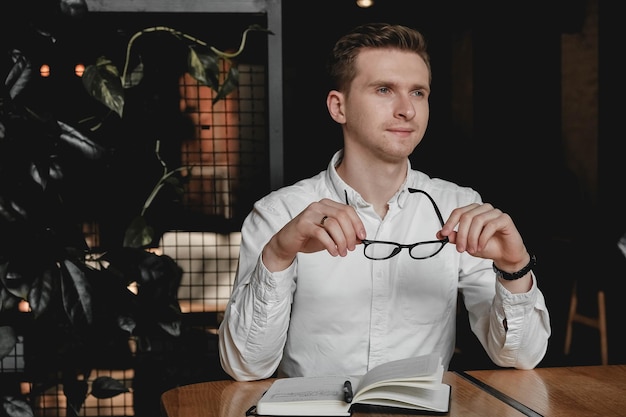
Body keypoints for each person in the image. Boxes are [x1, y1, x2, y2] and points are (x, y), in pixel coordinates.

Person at [218, 22, 551, 381]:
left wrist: (515, 266)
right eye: (384, 89)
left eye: (419, 93)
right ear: (338, 107)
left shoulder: (460, 208)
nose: (406, 109)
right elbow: (245, 367)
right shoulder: (278, 214)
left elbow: (520, 357)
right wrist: (279, 254)